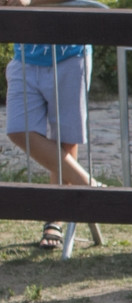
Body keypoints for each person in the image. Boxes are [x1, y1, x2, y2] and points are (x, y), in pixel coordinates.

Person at [2, 0, 101, 250]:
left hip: (70, 53)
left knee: (65, 141)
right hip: (24, 53)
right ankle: (92, 187)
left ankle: (55, 219)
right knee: (17, 129)